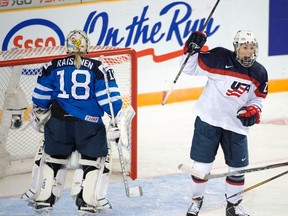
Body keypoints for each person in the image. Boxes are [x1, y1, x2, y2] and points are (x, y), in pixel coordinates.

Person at [21, 29, 123, 215]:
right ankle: (86, 202)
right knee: (93, 160)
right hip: (89, 125)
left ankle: (45, 200)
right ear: (87, 47)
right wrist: (115, 120)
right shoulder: (99, 68)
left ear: (67, 47)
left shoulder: (52, 66)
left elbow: (39, 98)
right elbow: (111, 103)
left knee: (53, 157)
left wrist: (42, 112)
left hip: (59, 125)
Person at [182, 30, 268, 216]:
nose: (249, 51)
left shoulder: (260, 72)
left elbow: (258, 99)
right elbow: (189, 68)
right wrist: (192, 48)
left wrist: (253, 109)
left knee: (238, 169)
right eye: (245, 47)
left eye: (252, 47)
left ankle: (234, 206)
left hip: (236, 125)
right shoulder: (219, 57)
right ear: (237, 48)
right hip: (208, 120)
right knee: (201, 168)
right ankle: (196, 202)